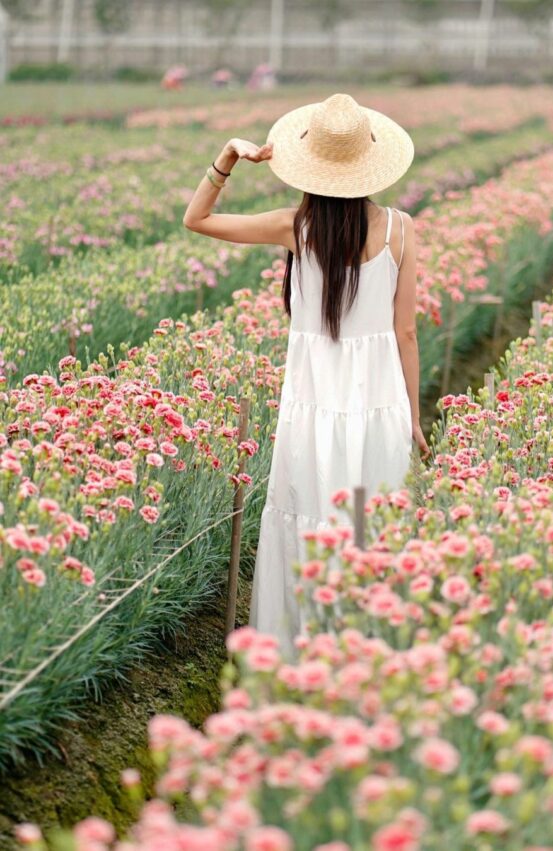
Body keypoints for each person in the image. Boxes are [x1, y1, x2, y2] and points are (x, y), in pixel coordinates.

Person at [183, 92, 430, 660]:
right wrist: (412, 418)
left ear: (310, 164)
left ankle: (297, 658)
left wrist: (226, 159)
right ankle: (367, 657)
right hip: (378, 408)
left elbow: (197, 219)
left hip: (312, 407)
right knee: (370, 528)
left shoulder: (294, 227)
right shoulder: (398, 230)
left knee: (306, 521)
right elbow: (406, 334)